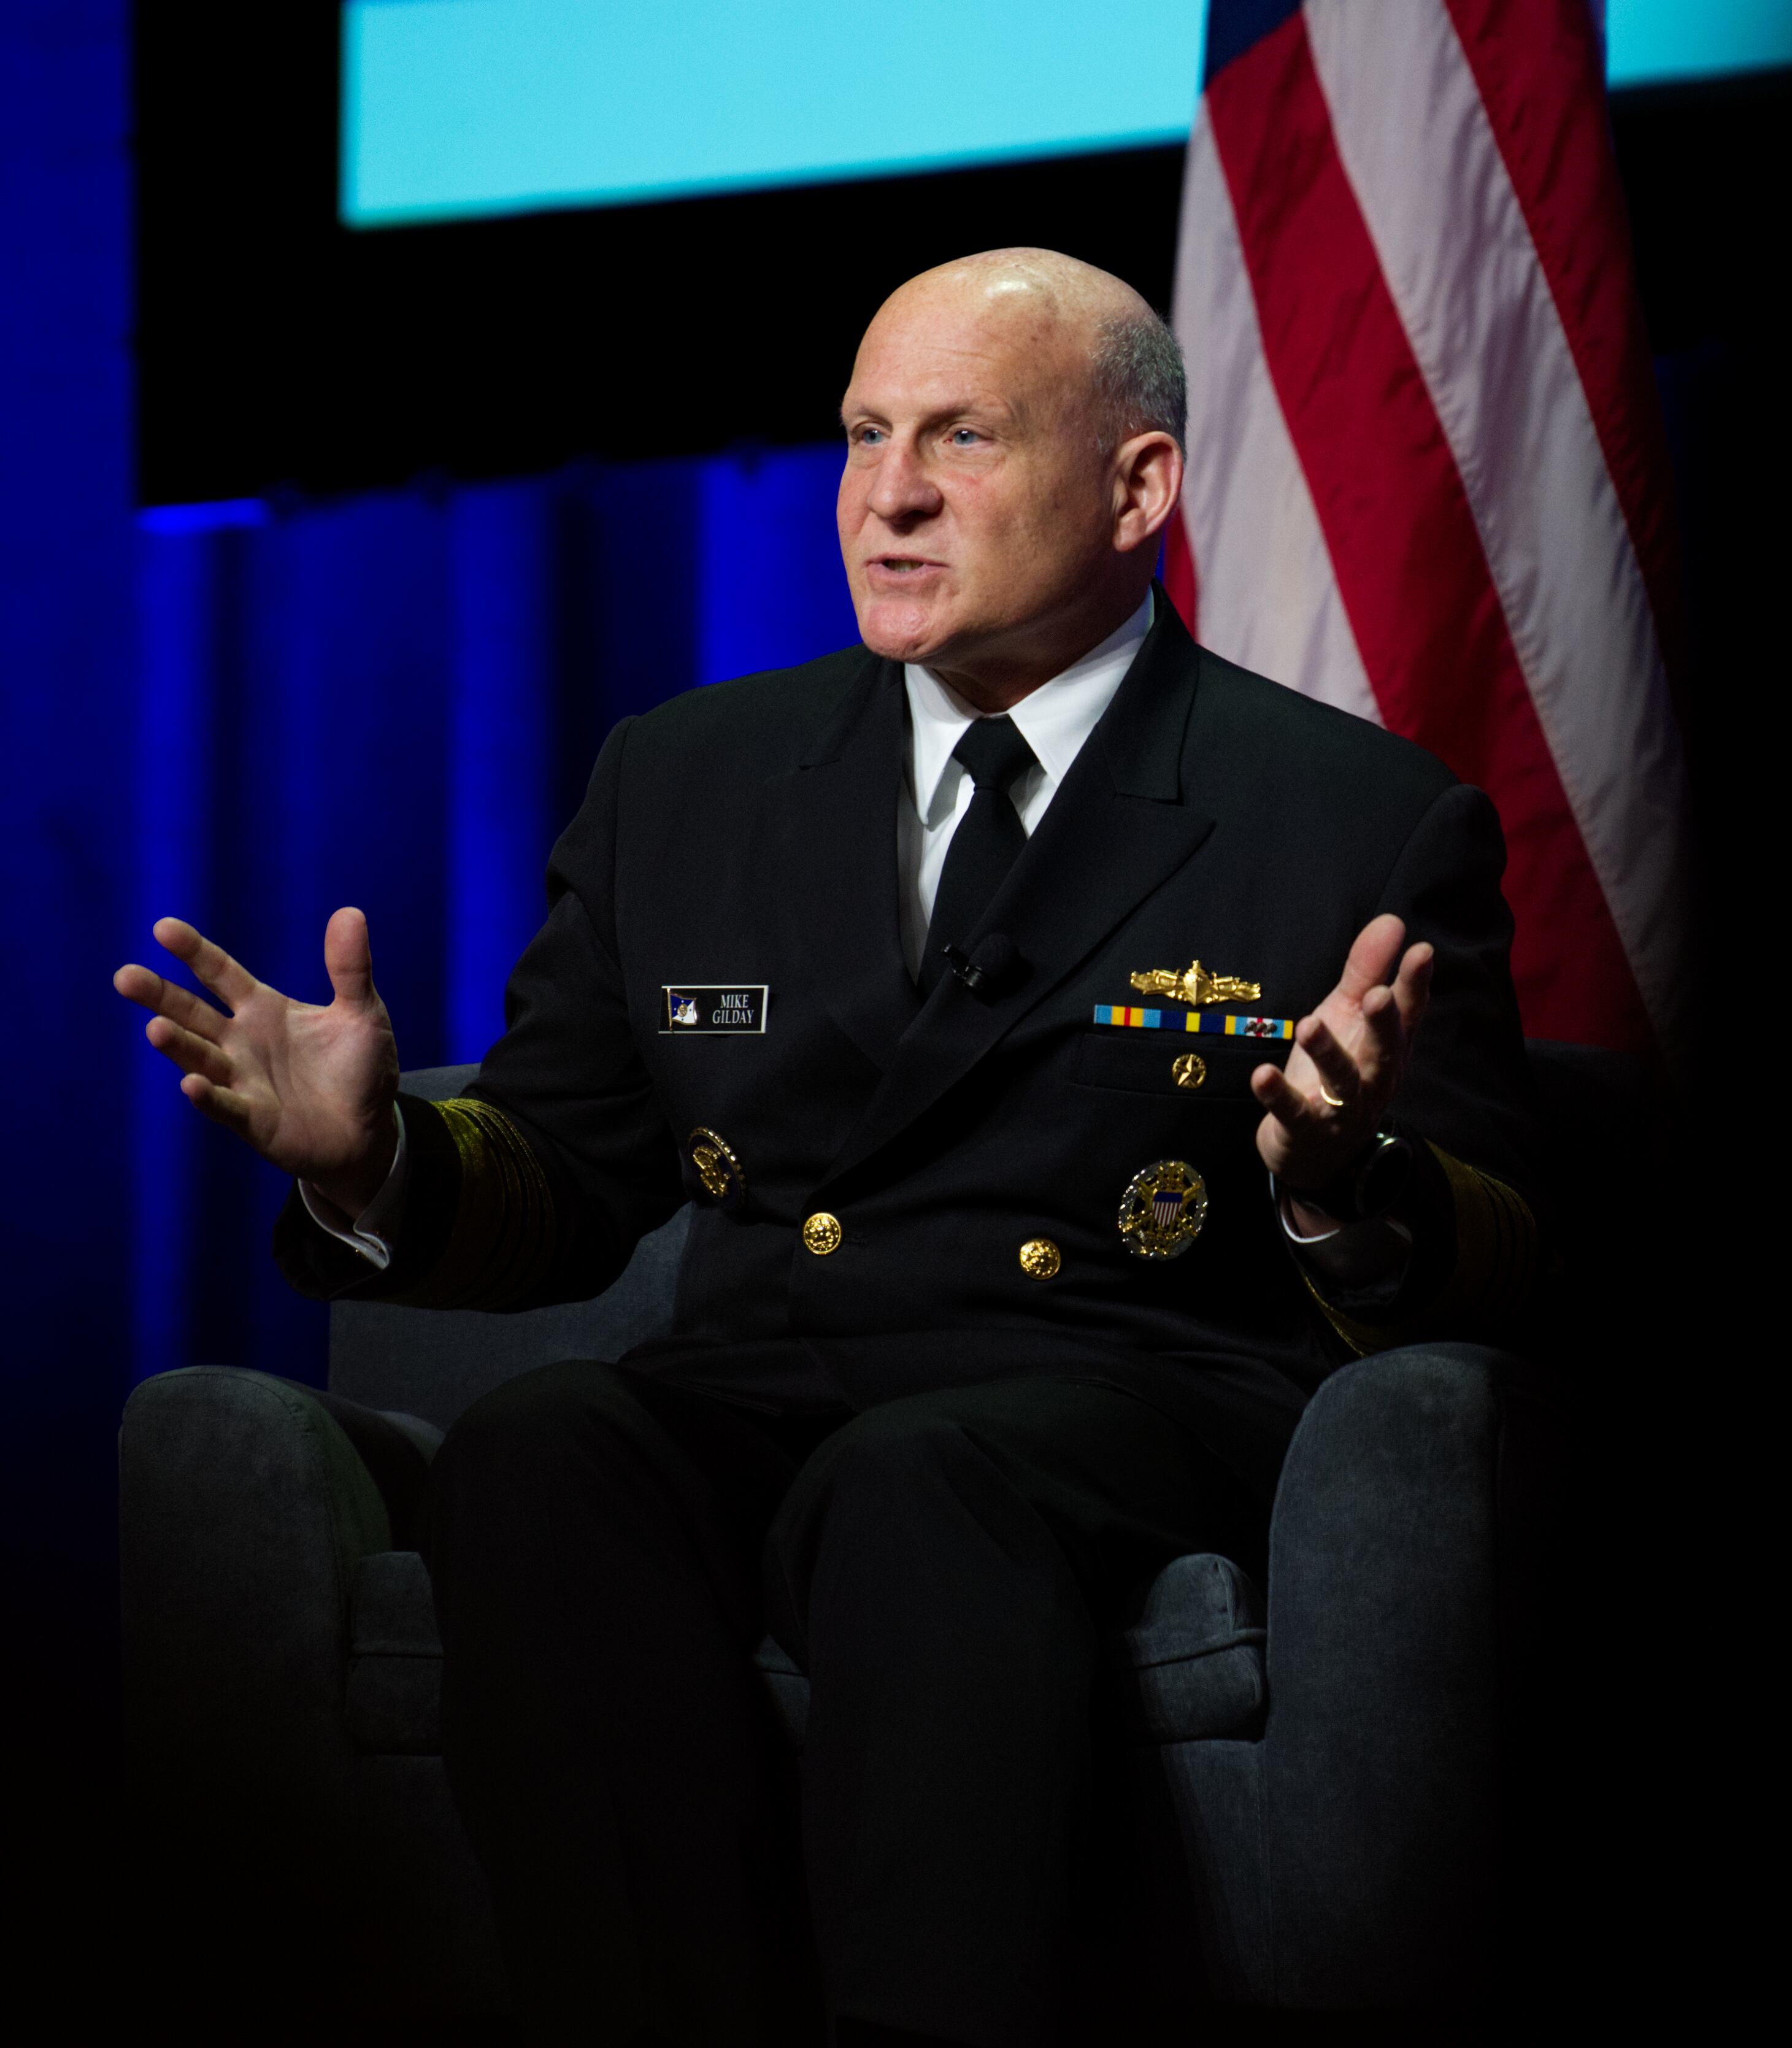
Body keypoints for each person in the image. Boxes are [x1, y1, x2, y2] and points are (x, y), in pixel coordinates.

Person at [112, 248, 1543, 2047]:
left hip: (1130, 1396)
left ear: (1141, 487)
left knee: (924, 1477)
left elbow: (1513, 1246)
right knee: (541, 1439)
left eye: (961, 434)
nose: (888, 494)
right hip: (773, 1376)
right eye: (864, 435)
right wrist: (374, 1159)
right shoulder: (690, 776)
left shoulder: (1353, 814)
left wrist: (1343, 1184)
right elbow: (565, 1180)